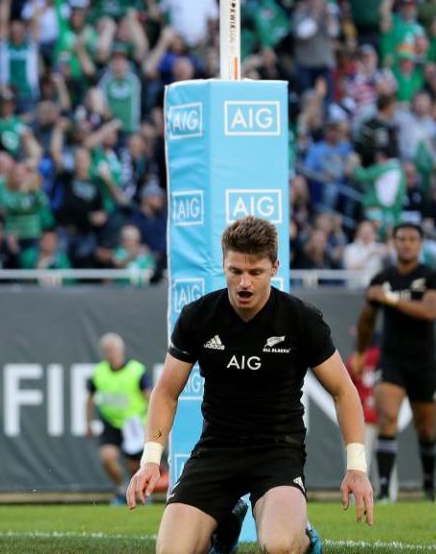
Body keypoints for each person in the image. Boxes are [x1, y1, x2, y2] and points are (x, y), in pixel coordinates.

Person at [127, 216, 373, 554]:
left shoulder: (301, 319)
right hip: (216, 450)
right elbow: (166, 391)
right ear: (223, 265)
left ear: (274, 267)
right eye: (235, 271)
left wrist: (357, 467)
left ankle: (305, 537)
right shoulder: (198, 316)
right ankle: (225, 524)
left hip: (277, 450)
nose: (244, 283)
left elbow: (344, 391)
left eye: (255, 272)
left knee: (279, 546)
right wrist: (151, 459)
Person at [352, 222, 436, 502]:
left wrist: (390, 299)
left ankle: (429, 487)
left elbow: (430, 311)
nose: (406, 243)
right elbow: (367, 319)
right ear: (393, 243)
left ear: (420, 244)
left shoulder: (432, 277)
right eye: (401, 238)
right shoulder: (382, 278)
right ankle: (383, 491)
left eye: (412, 239)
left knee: (427, 429)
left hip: (424, 362)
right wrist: (359, 351)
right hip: (391, 359)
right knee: (387, 419)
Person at [86, 332, 151, 505]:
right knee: (107, 457)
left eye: (113, 349)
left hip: (134, 424)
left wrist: (153, 424)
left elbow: (150, 397)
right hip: (111, 423)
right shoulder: (99, 372)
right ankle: (122, 488)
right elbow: (90, 399)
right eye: (106, 350)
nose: (110, 353)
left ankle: (140, 493)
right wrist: (88, 423)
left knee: (134, 466)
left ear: (121, 350)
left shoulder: (136, 370)